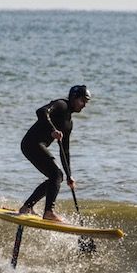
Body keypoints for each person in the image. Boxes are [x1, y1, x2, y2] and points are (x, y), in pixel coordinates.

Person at [18, 85, 91, 223]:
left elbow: (65, 151)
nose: (84, 105)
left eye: (86, 102)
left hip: (35, 145)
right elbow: (41, 111)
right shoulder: (61, 105)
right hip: (31, 143)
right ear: (74, 98)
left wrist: (69, 175)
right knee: (56, 175)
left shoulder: (69, 123)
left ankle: (26, 207)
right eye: (82, 101)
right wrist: (52, 130)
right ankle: (49, 212)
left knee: (57, 177)